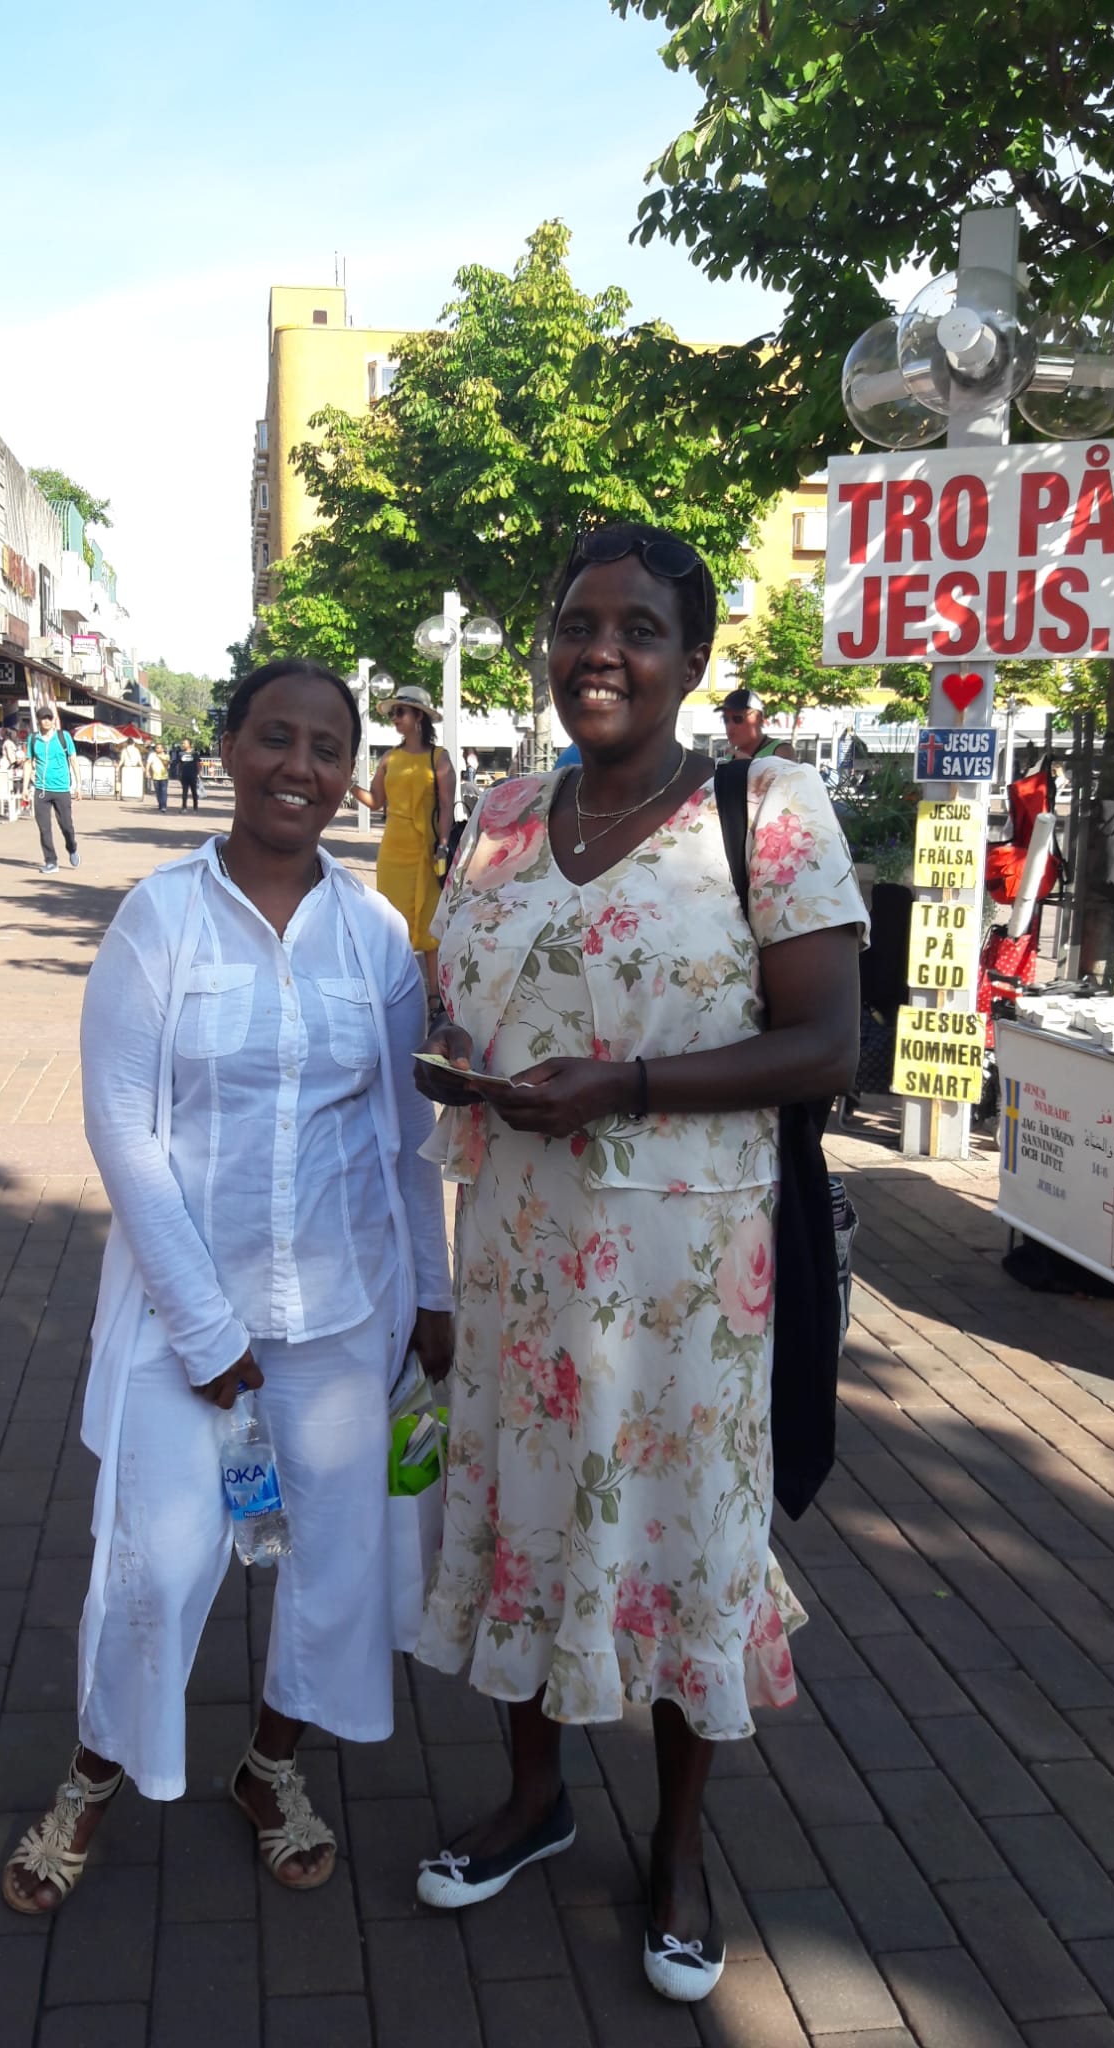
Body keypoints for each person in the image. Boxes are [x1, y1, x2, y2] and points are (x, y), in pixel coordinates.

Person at [410, 522, 864, 2003]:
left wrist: (630, 1087)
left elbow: (826, 1046)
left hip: (685, 1279)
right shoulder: (494, 813)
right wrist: (463, 1056)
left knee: (681, 1541)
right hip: (524, 1255)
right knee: (525, 1521)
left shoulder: (767, 808)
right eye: (576, 622)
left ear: (690, 658)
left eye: (638, 629)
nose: (598, 650)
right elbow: (463, 977)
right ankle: (535, 1801)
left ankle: (676, 1850)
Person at [0, 658, 452, 1916]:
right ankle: (92, 1776)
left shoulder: (375, 937)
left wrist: (434, 1294)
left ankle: (269, 1768)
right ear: (232, 746)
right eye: (275, 739)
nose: (300, 767)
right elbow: (124, 1133)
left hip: (345, 1314)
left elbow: (408, 1133)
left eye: (326, 747)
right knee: (156, 1560)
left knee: (338, 1561)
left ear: (351, 769)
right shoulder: (160, 917)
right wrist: (204, 1329)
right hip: (180, 1315)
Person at [349, 683, 456, 1017]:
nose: (395, 718)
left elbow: (446, 805)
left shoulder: (438, 758)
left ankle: (435, 995)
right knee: (391, 918)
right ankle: (393, 988)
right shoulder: (390, 758)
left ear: (419, 717)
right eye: (394, 712)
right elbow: (376, 800)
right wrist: (348, 785)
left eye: (400, 712)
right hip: (393, 848)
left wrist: (442, 845)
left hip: (425, 848)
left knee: (428, 919)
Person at [27, 708, 81, 874]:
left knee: (66, 826)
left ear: (54, 719)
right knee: (44, 828)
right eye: (43, 718)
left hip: (61, 789)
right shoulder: (34, 739)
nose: (46, 721)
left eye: (49, 718)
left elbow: (73, 759)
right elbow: (29, 762)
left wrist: (78, 785)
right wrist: (24, 788)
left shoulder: (63, 737)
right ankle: (51, 861)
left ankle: (72, 847)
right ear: (38, 720)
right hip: (41, 789)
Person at [721, 686, 796, 763]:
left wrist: (750, 764)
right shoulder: (728, 758)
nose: (730, 726)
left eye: (738, 719)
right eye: (725, 719)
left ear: (758, 718)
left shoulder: (781, 751)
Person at [145, 741, 170, 812]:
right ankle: (160, 804)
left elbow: (166, 765)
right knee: (158, 792)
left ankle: (164, 806)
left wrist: (160, 758)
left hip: (164, 777)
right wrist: (147, 772)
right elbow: (148, 763)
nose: (157, 749)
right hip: (155, 776)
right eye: (156, 748)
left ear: (162, 749)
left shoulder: (166, 755)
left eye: (159, 748)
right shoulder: (152, 755)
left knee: (164, 792)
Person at [178, 738, 201, 811]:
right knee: (184, 792)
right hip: (184, 775)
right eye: (182, 743)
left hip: (193, 775)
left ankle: (195, 807)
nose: (183, 744)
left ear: (189, 744)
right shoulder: (181, 754)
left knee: (194, 791)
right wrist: (179, 773)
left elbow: (198, 764)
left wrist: (199, 773)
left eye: (184, 743)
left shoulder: (194, 753)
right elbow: (179, 764)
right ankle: (184, 807)